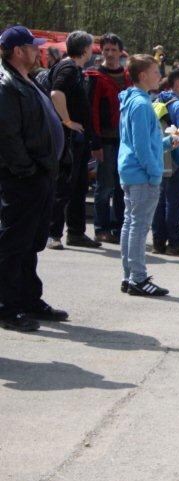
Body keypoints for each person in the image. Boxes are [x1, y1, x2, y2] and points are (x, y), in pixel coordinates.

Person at [0, 26, 67, 331]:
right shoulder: (6, 84)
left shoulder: (27, 80)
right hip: (23, 177)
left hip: (41, 173)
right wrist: (26, 169)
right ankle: (6, 306)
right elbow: (8, 134)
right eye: (32, 46)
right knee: (15, 243)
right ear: (17, 51)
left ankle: (28, 298)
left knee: (31, 242)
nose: (37, 50)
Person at [118, 54, 176, 296]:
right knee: (138, 227)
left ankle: (129, 275)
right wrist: (155, 173)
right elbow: (141, 146)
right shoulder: (141, 104)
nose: (159, 76)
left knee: (131, 224)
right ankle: (138, 279)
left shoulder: (134, 100)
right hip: (142, 174)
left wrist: (166, 142)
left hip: (132, 170)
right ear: (142, 76)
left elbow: (142, 141)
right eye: (155, 72)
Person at [47, 30, 100, 250]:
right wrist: (67, 121)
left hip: (79, 139)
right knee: (64, 186)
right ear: (85, 49)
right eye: (91, 47)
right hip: (68, 138)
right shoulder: (68, 68)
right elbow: (56, 93)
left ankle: (76, 232)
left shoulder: (77, 69)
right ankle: (53, 233)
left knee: (79, 186)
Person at [85, 33, 131, 245]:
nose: (110, 54)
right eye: (106, 50)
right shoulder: (95, 76)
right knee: (104, 187)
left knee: (122, 186)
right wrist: (95, 142)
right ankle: (101, 228)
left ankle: (119, 226)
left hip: (125, 140)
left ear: (121, 52)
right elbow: (92, 111)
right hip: (105, 139)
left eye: (114, 49)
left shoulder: (128, 77)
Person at [152, 66, 179, 256]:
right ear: (178, 83)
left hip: (161, 155)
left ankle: (158, 241)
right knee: (174, 202)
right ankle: (174, 242)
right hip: (178, 157)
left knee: (160, 200)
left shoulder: (158, 100)